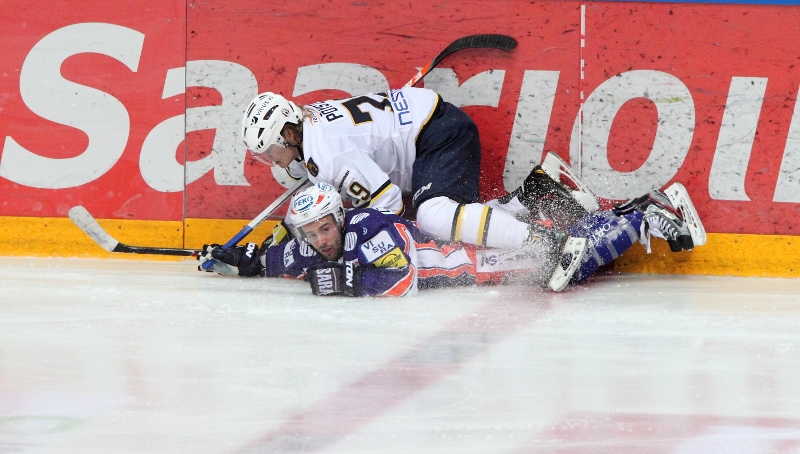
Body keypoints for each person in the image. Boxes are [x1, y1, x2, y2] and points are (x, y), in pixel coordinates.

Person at [197, 179, 706, 296]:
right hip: (468, 263)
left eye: (326, 227)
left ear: (340, 215)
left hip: (474, 261)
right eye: (312, 233)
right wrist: (230, 260)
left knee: (560, 262)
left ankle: (645, 213)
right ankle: (547, 187)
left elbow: (401, 280)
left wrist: (343, 280)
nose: (322, 239)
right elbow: (274, 257)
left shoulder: (368, 226)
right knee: (557, 256)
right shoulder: (310, 242)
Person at [240, 89, 588, 255]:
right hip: (431, 128)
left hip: (437, 134)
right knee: (453, 223)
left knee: (434, 218)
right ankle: (538, 191)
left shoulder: (327, 154)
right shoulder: (310, 121)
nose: (272, 160)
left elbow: (388, 201)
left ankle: (547, 244)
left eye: (270, 151)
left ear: (288, 135)